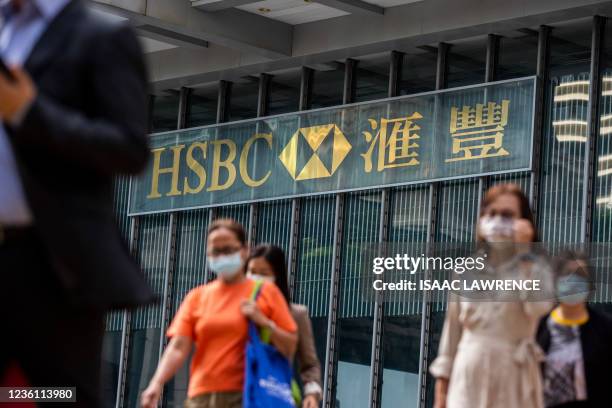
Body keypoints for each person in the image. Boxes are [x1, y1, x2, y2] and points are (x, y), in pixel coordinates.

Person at [0, 0, 153, 406]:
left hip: (48, 261)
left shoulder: (100, 36)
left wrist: (30, 113)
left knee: (60, 396)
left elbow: (129, 148)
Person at [141, 219, 298, 408]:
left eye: (229, 250)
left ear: (245, 250)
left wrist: (263, 321)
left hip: (247, 393)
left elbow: (290, 345)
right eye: (216, 251)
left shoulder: (265, 292)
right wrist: (156, 383)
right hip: (200, 396)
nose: (222, 256)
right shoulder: (197, 297)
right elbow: (178, 347)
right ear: (207, 254)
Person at [430, 183, 553, 408]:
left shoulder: (537, 268)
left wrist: (525, 252)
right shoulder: (465, 269)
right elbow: (452, 332)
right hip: (469, 371)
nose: (498, 221)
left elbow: (538, 308)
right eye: (492, 214)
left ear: (523, 222)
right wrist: (441, 390)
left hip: (514, 372)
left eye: (507, 215)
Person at [246, 244, 323, 408]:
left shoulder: (295, 314)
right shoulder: (235, 309)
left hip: (274, 392)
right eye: (252, 272)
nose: (256, 278)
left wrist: (312, 393)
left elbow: (309, 363)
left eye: (264, 273)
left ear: (277, 276)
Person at [537, 251, 612, 408]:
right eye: (566, 274)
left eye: (580, 275)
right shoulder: (538, 327)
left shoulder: (605, 329)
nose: (573, 280)